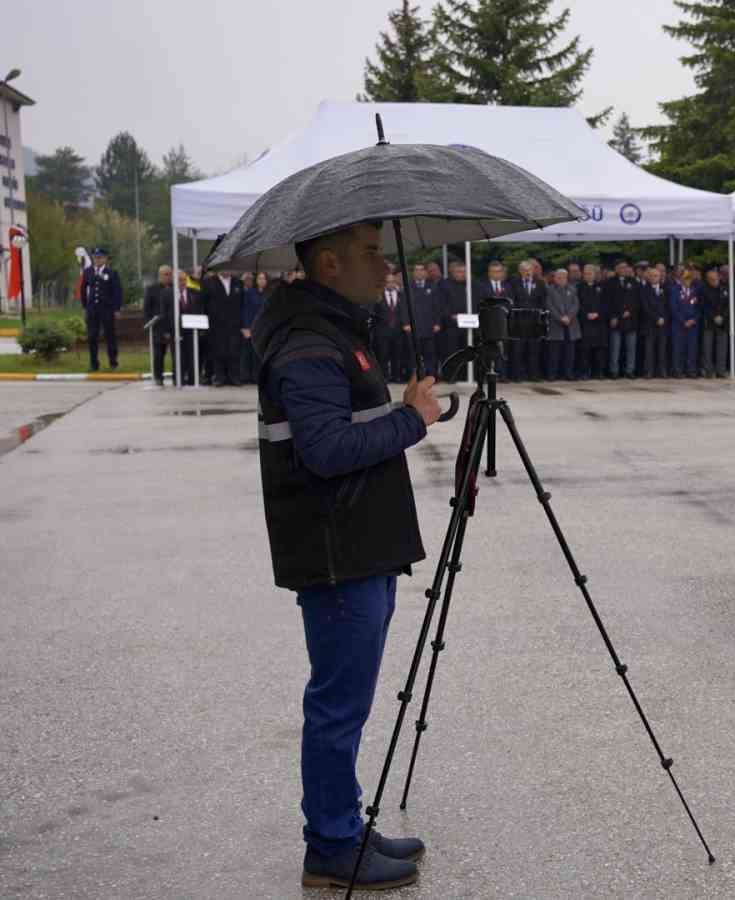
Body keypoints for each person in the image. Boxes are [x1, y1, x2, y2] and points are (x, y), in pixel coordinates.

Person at [251, 221, 439, 891]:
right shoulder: (307, 342)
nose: (385, 265)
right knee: (338, 703)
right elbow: (326, 451)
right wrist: (412, 418)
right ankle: (330, 845)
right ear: (328, 263)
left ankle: (341, 825)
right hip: (337, 550)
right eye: (370, 253)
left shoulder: (333, 329)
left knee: (347, 701)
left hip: (360, 542)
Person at [82, 247, 123, 372]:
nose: (97, 259)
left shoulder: (112, 273)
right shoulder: (88, 271)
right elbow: (83, 289)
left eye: (100, 257)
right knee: (92, 336)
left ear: (105, 258)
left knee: (110, 336)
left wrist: (116, 308)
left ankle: (113, 362)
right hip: (92, 309)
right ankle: (94, 364)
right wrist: (85, 306)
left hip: (107, 309)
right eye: (95, 257)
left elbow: (117, 292)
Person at [204, 268, 246, 386]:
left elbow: (242, 304)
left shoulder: (238, 283)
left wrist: (242, 324)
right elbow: (204, 303)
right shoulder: (209, 283)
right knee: (218, 351)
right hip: (216, 324)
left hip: (234, 324)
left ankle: (234, 377)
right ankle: (219, 377)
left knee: (234, 350)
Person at [400, 263, 442, 378]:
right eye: (416, 270)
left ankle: (431, 376)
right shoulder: (407, 287)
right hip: (413, 327)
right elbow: (403, 306)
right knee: (413, 354)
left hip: (429, 326)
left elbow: (437, 307)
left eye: (421, 270)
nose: (419, 272)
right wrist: (405, 323)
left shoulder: (433, 287)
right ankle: (414, 376)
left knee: (430, 354)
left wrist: (437, 323)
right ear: (413, 273)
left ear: (425, 272)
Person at [510, 259, 546, 382]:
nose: (527, 272)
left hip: (534, 323)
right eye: (524, 270)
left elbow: (543, 302)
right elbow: (511, 301)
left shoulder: (540, 283)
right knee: (518, 351)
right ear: (520, 271)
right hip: (519, 323)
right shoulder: (514, 283)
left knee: (534, 351)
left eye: (529, 270)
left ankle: (534, 375)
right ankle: (518, 375)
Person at [605, 261, 640, 378]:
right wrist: (614, 316)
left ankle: (630, 370)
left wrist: (630, 311)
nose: (624, 269)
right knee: (615, 348)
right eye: (621, 267)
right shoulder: (610, 282)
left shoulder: (633, 281)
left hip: (631, 319)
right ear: (616, 269)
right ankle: (614, 371)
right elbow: (607, 302)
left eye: (625, 267)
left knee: (631, 348)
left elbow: (637, 300)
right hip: (616, 319)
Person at [544, 268, 580, 380]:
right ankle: (552, 375)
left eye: (563, 277)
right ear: (554, 278)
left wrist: (569, 316)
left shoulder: (572, 289)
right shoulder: (549, 290)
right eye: (558, 277)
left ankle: (568, 374)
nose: (561, 280)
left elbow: (576, 304)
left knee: (570, 353)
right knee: (554, 353)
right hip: (556, 325)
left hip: (571, 324)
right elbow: (549, 306)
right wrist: (560, 318)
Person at [143, 265, 177, 385]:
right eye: (166, 274)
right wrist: (149, 325)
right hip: (158, 327)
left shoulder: (176, 288)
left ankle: (176, 378)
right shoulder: (151, 289)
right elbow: (147, 309)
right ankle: (158, 377)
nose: (168, 277)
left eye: (170, 274)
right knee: (158, 354)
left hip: (174, 327)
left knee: (176, 353)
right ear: (160, 276)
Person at [577, 264, 607, 379]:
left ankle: (598, 372)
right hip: (585, 323)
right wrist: (586, 314)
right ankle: (584, 372)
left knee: (599, 350)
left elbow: (606, 304)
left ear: (595, 274)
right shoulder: (579, 287)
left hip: (599, 323)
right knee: (585, 350)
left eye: (590, 273)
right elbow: (577, 304)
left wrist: (598, 314)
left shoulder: (601, 287)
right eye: (585, 273)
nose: (588, 275)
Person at [640, 265, 670, 378]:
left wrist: (663, 318)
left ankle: (662, 371)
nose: (654, 277)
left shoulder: (665, 289)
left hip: (663, 324)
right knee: (649, 350)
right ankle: (649, 371)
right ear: (648, 277)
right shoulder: (644, 290)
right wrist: (657, 318)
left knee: (662, 349)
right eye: (652, 275)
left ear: (660, 276)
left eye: (656, 275)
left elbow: (668, 306)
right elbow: (645, 307)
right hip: (650, 324)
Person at [669, 267, 700, 377]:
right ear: (680, 279)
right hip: (679, 325)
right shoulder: (674, 290)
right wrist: (683, 321)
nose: (688, 280)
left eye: (689, 278)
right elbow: (674, 308)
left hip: (692, 325)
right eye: (685, 278)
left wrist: (694, 319)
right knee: (678, 348)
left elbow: (699, 308)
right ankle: (678, 370)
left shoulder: (695, 291)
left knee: (692, 348)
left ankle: (691, 370)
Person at [241, 271, 272, 383]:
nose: (261, 281)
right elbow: (245, 310)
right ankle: (249, 377)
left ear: (267, 280)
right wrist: (245, 327)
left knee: (262, 353)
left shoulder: (270, 293)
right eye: (259, 278)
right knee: (250, 353)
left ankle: (261, 377)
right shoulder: (250, 292)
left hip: (265, 327)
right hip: (251, 326)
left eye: (263, 278)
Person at [700, 268, 731, 377]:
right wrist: (714, 316)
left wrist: (722, 316)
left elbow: (728, 305)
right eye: (712, 279)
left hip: (722, 322)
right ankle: (708, 370)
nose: (715, 281)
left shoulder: (724, 288)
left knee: (722, 348)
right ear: (707, 280)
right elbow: (704, 306)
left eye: (716, 278)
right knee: (707, 348)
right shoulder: (703, 290)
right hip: (709, 322)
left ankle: (720, 371)